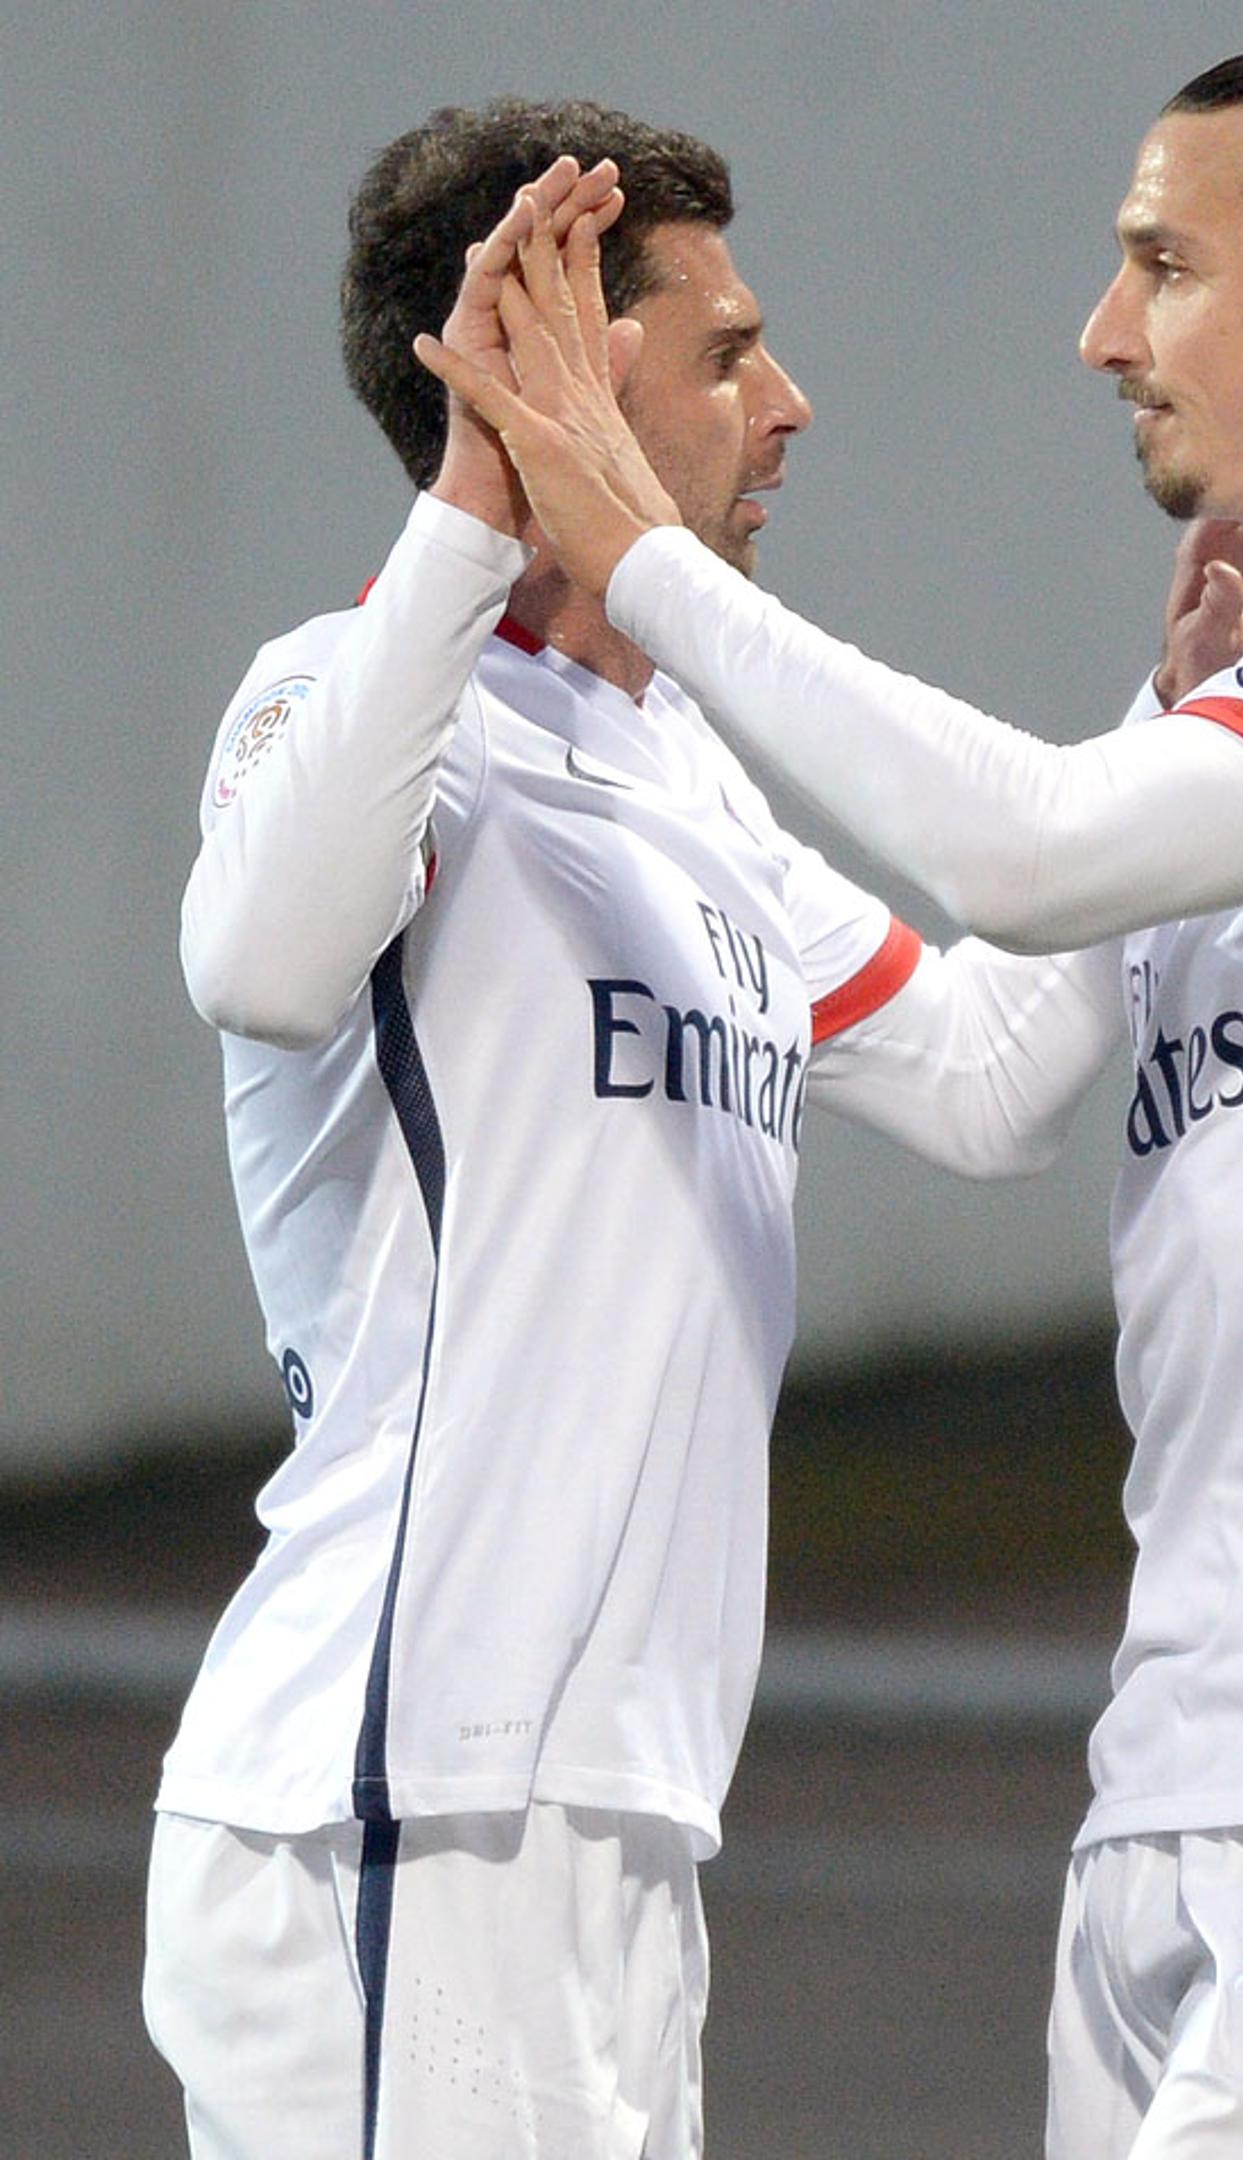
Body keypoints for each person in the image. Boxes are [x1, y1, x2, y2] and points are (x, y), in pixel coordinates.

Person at [421, 31, 1243, 2160]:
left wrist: (635, 545)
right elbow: (1003, 1067)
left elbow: (1023, 847)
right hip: (1208, 1763)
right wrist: (611, 802)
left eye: (1166, 266)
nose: (1106, 333)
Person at [147, 100, 1116, 2160]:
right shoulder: (347, 695)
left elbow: (988, 1079)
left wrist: (1174, 765)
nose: (790, 403)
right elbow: (265, 961)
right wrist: (483, 503)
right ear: (557, 370)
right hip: (402, 1788)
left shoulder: (681, 775)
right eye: (729, 349)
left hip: (614, 1822)